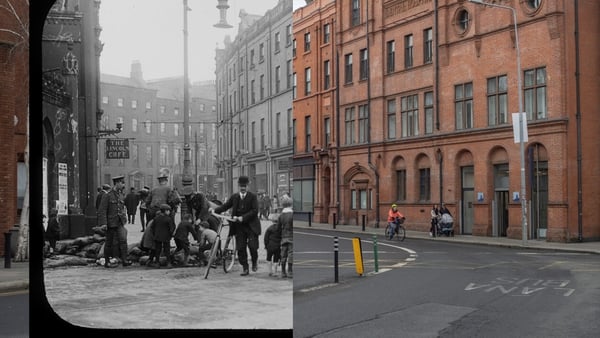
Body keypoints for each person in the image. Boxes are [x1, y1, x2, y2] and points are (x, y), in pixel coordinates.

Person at [211, 175, 261, 276]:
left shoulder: (253, 197)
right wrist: (214, 210)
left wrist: (243, 217)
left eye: (245, 186)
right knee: (241, 248)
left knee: (253, 247)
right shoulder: (235, 197)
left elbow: (255, 211)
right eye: (241, 186)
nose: (243, 188)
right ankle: (245, 268)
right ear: (238, 186)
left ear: (248, 186)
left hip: (251, 226)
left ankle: (254, 261)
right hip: (239, 227)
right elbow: (225, 206)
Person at [98, 175, 132, 267]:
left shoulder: (121, 195)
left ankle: (124, 260)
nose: (123, 185)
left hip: (120, 222)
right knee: (109, 242)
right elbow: (102, 210)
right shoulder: (107, 195)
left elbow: (122, 208)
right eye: (122, 183)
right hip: (110, 222)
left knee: (123, 240)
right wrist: (104, 223)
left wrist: (124, 218)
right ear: (117, 183)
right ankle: (107, 261)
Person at [148, 204, 176, 268]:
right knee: (167, 250)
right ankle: (168, 263)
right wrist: (171, 235)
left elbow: (152, 227)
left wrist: (154, 234)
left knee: (158, 250)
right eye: (168, 210)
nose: (169, 212)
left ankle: (157, 263)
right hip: (166, 237)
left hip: (157, 237)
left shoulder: (156, 218)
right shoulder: (168, 219)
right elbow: (172, 228)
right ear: (165, 211)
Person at [278, 194, 293, 278]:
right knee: (291, 253)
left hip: (283, 237)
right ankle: (290, 271)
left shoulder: (281, 215)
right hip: (291, 236)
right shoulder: (292, 215)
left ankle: (283, 271)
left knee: (283, 253)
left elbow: (278, 227)